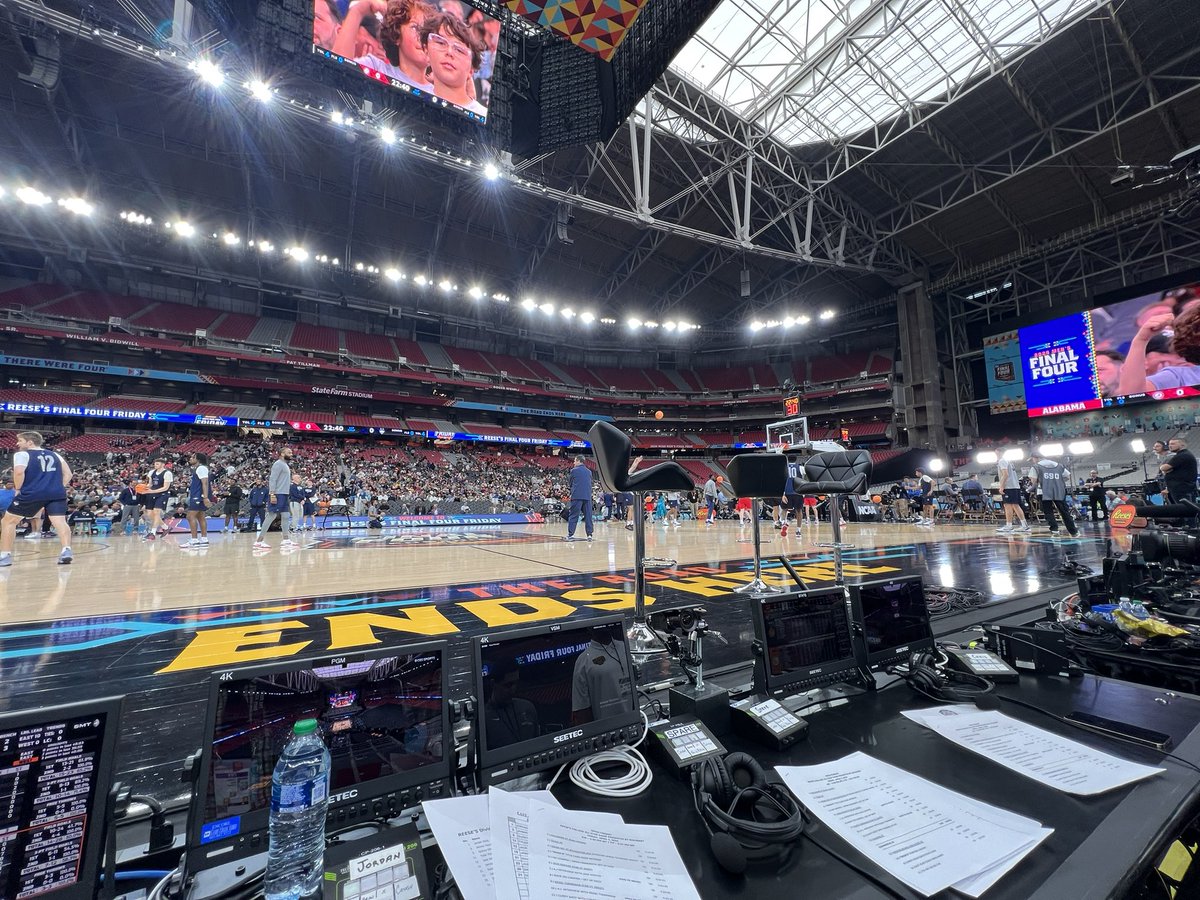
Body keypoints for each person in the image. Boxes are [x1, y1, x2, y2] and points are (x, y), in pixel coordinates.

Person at [0, 432, 74, 568]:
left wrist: (18, 489)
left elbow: (18, 472)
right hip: (56, 493)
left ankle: (4, 556)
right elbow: (68, 474)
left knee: (8, 521)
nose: (17, 444)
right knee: (60, 522)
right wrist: (57, 487)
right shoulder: (55, 454)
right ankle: (66, 551)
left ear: (30, 442)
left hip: (32, 492)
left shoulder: (22, 454)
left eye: (20, 441)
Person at [334, 0, 436, 92]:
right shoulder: (375, 69)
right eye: (415, 27)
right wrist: (358, 11)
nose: (423, 36)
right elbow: (336, 71)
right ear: (396, 36)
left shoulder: (438, 92)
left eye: (428, 31)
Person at [1119, 307, 1200, 394]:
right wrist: (1141, 340)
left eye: (1179, 358)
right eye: (1164, 356)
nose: (1175, 361)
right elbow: (1132, 394)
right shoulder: (1182, 375)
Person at [420, 12, 487, 116]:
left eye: (459, 50)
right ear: (426, 50)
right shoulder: (414, 100)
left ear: (471, 70)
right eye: (441, 43)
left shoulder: (482, 115)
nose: (449, 52)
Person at [570, 629, 632, 725]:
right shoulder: (583, 661)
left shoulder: (627, 647)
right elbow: (581, 708)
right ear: (588, 628)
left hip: (635, 718)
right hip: (606, 727)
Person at [483, 658, 539, 749]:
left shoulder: (527, 707)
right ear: (493, 684)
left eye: (516, 684)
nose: (513, 690)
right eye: (508, 685)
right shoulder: (484, 718)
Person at [253, 446, 298, 551]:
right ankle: (259, 541)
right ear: (282, 453)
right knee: (271, 516)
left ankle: (286, 540)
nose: (291, 454)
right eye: (289, 452)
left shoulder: (285, 465)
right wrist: (272, 493)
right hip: (278, 494)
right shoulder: (278, 464)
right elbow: (272, 479)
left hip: (284, 494)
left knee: (286, 516)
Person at [1028, 452, 1078, 537]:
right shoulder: (1058, 465)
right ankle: (1073, 531)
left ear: (1035, 458)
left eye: (1032, 459)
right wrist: (1057, 482)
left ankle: (1054, 530)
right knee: (1064, 511)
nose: (1033, 461)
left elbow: (1033, 480)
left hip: (1043, 492)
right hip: (1058, 491)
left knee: (1048, 512)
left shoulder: (1036, 467)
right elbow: (1067, 476)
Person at [185, 452, 217, 547]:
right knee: (200, 517)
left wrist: (205, 497)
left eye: (193, 457)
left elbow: (205, 483)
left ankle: (194, 539)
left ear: (198, 459)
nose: (190, 458)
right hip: (199, 495)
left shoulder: (201, 468)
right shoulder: (199, 468)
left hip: (199, 496)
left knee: (190, 516)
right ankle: (204, 538)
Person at [996, 451, 1030, 534]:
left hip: (1009, 486)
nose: (996, 454)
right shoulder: (1010, 462)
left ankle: (1009, 525)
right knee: (1015, 505)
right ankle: (1024, 525)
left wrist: (1001, 486)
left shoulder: (1002, 461)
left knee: (1008, 505)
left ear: (1001, 453)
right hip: (1015, 486)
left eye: (997, 453)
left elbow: (1005, 474)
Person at [1160, 437, 1198, 506]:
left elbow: (1164, 468)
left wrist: (1164, 468)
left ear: (1182, 445)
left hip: (1182, 489)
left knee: (1185, 510)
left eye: (1173, 444)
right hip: (1181, 488)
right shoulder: (1182, 455)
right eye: (1169, 444)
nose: (1170, 446)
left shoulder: (1182, 455)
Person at [143, 458, 174, 541]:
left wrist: (153, 490)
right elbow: (150, 484)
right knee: (149, 513)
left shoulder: (167, 473)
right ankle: (165, 527)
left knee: (157, 512)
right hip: (152, 493)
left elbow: (165, 487)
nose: (155, 465)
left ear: (163, 464)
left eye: (157, 464)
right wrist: (144, 488)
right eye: (155, 464)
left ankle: (152, 533)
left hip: (162, 494)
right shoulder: (151, 472)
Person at [565, 457, 593, 542]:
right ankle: (589, 535)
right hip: (587, 496)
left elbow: (570, 483)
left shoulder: (574, 470)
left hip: (577, 496)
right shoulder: (589, 471)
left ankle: (571, 535)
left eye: (574, 461)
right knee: (588, 516)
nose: (573, 463)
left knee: (574, 515)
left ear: (578, 461)